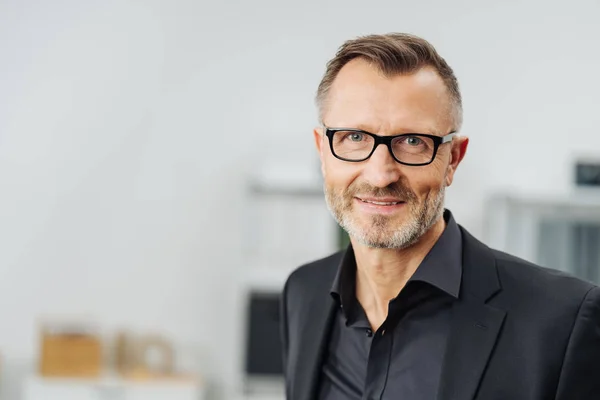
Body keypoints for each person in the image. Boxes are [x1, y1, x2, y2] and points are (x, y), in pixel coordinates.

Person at [279, 32, 600, 400]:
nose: (380, 175)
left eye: (413, 141)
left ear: (453, 159)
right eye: (354, 137)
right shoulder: (302, 293)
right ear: (323, 150)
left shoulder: (562, 322)